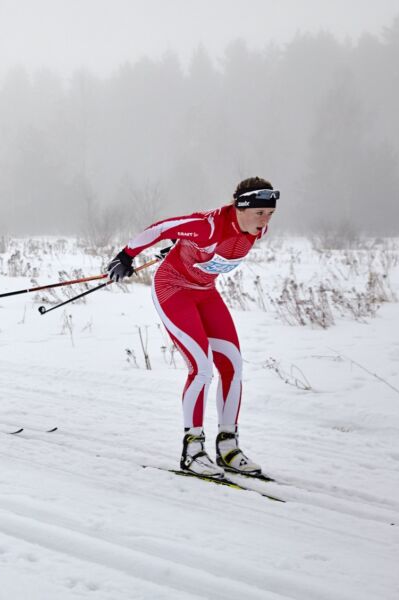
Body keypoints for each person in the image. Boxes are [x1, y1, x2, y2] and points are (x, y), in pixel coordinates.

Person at [107, 177, 279, 478]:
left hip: (204, 292)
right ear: (240, 207)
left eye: (270, 213)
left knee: (233, 367)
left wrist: (184, 248)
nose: (265, 221)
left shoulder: (256, 227)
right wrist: (126, 256)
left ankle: (228, 448)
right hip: (173, 290)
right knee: (201, 368)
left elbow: (206, 253)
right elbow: (162, 228)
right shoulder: (207, 226)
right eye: (259, 213)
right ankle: (192, 450)